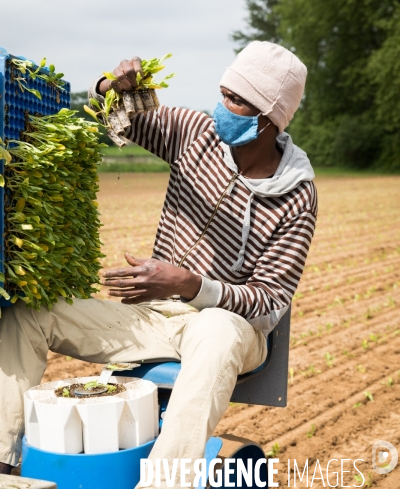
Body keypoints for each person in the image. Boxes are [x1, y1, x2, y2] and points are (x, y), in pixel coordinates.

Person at [0, 41, 317, 486]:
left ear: (269, 119)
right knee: (29, 314)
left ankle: (163, 482)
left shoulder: (297, 195)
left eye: (236, 100)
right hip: (152, 317)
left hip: (230, 329)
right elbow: (114, 117)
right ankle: (4, 463)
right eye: (223, 92)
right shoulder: (195, 132)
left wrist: (189, 285)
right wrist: (112, 85)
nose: (221, 107)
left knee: (217, 328)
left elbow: (268, 301)